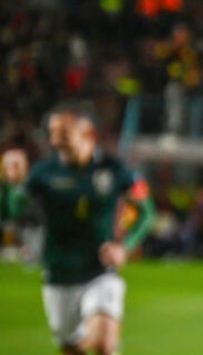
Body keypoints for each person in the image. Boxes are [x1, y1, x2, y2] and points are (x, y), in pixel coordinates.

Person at [4, 101, 155, 355]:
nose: (55, 140)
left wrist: (124, 247)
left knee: (103, 344)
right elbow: (11, 211)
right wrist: (10, 184)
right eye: (52, 133)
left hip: (100, 271)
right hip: (59, 275)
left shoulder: (114, 170)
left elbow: (146, 213)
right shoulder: (43, 173)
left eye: (63, 133)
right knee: (72, 349)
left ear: (89, 134)